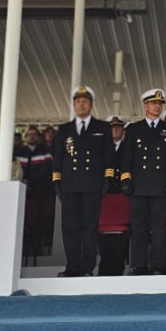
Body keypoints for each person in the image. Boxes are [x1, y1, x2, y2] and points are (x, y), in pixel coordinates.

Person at [53, 86, 116, 277]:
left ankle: (87, 267)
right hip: (70, 185)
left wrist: (108, 177)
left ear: (91, 104)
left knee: (89, 227)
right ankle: (72, 266)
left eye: (85, 101)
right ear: (74, 105)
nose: (81, 105)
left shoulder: (102, 128)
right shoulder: (64, 130)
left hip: (92, 184)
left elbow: (109, 156)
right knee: (69, 228)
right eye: (78, 101)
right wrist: (57, 180)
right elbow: (58, 157)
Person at [119, 88, 166, 274]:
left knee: (159, 228)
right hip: (138, 186)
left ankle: (157, 265)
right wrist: (125, 178)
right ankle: (139, 265)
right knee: (138, 227)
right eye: (154, 103)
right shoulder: (133, 129)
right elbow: (126, 158)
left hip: (161, 186)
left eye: (160, 104)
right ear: (145, 105)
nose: (157, 106)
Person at [17, 125, 56, 258]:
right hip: (23, 193)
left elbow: (46, 171)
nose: (31, 136)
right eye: (29, 134)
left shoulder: (46, 152)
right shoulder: (20, 152)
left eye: (34, 134)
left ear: (39, 137)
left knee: (41, 221)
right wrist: (24, 181)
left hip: (41, 193)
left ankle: (39, 249)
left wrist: (31, 182)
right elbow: (17, 170)